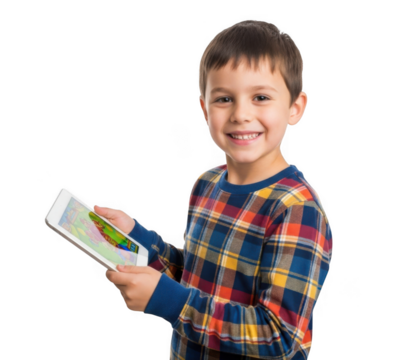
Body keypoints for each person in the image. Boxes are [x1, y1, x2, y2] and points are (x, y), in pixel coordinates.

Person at [96, 19, 334, 360]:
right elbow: (196, 277)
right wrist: (138, 239)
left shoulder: (296, 208)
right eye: (224, 99)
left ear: (295, 108)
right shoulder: (207, 184)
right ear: (204, 109)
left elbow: (279, 334)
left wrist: (171, 304)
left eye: (261, 97)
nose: (241, 114)